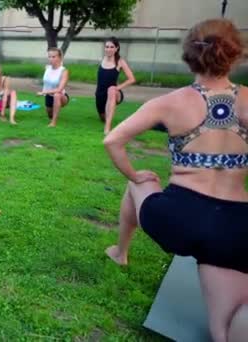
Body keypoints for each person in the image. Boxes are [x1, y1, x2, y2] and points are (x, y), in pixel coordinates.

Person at [103, 19, 248, 342]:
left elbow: (112, 140)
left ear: (188, 56)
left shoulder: (170, 102)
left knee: (139, 182)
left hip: (180, 217)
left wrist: (134, 173)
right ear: (235, 56)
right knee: (225, 327)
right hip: (235, 226)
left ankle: (120, 251)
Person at [95, 37, 136, 135]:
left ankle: (107, 128)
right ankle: (106, 120)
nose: (109, 49)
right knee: (103, 117)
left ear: (117, 48)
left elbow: (132, 79)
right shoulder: (102, 59)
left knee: (111, 90)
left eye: (112, 47)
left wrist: (117, 88)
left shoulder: (120, 61)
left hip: (114, 93)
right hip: (100, 95)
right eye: (107, 47)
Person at [37, 47, 69, 127]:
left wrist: (43, 92)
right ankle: (53, 115)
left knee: (57, 95)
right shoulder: (47, 68)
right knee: (49, 115)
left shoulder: (64, 71)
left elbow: (59, 89)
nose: (51, 59)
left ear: (59, 57)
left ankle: (53, 123)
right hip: (48, 96)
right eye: (49, 57)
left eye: (54, 57)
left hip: (61, 96)